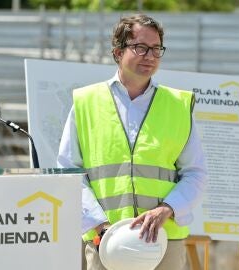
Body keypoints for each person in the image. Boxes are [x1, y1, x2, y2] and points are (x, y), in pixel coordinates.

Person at [57, 14, 206, 270]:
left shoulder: (178, 106)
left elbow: (195, 173)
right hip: (104, 240)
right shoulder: (86, 102)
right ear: (117, 52)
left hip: (163, 242)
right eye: (140, 47)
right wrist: (98, 226)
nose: (150, 56)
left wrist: (167, 209)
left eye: (156, 49)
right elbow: (68, 172)